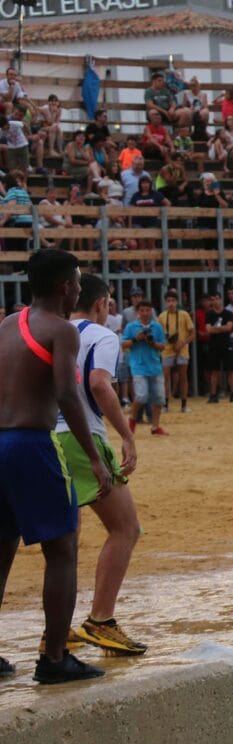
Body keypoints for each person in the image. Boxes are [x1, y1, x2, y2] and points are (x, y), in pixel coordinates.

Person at [0, 249, 111, 683]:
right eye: (79, 283)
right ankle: (54, 657)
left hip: (1, 440)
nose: (81, 290)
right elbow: (67, 393)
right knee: (62, 550)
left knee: (2, 547)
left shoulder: (9, 323)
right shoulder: (62, 331)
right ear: (66, 286)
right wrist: (96, 458)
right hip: (32, 444)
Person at [54, 274, 145, 655]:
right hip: (83, 435)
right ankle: (101, 620)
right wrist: (126, 433)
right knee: (126, 528)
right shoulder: (101, 335)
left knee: (64, 542)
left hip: (48, 437)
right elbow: (98, 383)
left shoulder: (51, 330)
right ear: (102, 304)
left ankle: (55, 632)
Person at [121, 301, 168, 436]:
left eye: (147, 310)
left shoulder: (157, 327)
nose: (145, 313)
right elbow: (124, 344)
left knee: (159, 397)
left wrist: (151, 342)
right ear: (138, 312)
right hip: (139, 365)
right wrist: (137, 339)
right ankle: (131, 422)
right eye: (142, 310)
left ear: (151, 311)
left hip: (154, 366)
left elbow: (162, 346)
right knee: (141, 396)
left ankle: (155, 426)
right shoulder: (131, 327)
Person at [159, 289, 194, 413]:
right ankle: (165, 404)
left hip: (182, 348)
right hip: (167, 349)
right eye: (168, 301)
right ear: (165, 302)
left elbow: (192, 334)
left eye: (173, 301)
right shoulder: (162, 316)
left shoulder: (184, 314)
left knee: (183, 376)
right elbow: (160, 334)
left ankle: (184, 404)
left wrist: (182, 343)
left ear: (177, 302)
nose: (171, 303)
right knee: (165, 377)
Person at [202, 292, 233, 403]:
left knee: (230, 370)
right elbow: (209, 330)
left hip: (226, 344)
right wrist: (222, 328)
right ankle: (213, 394)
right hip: (214, 345)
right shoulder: (209, 314)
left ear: (221, 299)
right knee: (214, 371)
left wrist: (216, 329)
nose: (215, 301)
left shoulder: (228, 313)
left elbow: (229, 328)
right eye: (213, 299)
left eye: (217, 298)